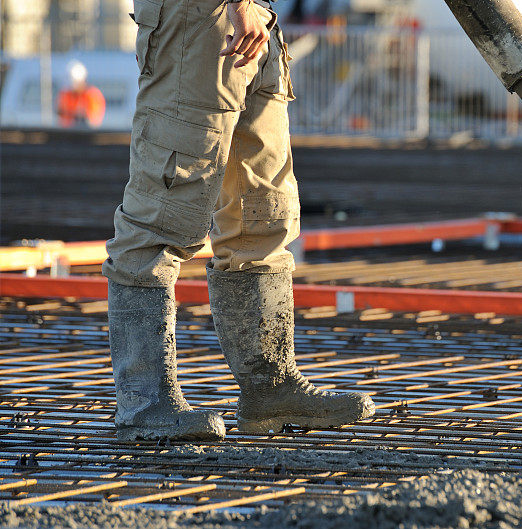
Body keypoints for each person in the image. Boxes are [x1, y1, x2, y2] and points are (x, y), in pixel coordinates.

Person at [103, 0, 374, 441]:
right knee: (162, 211)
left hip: (252, 21)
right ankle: (144, 401)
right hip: (202, 17)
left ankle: (270, 389)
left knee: (260, 214)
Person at [57, 61, 106, 128]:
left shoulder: (92, 95)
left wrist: (79, 115)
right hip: (67, 132)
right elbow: (62, 114)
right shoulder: (66, 94)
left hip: (88, 133)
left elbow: (94, 119)